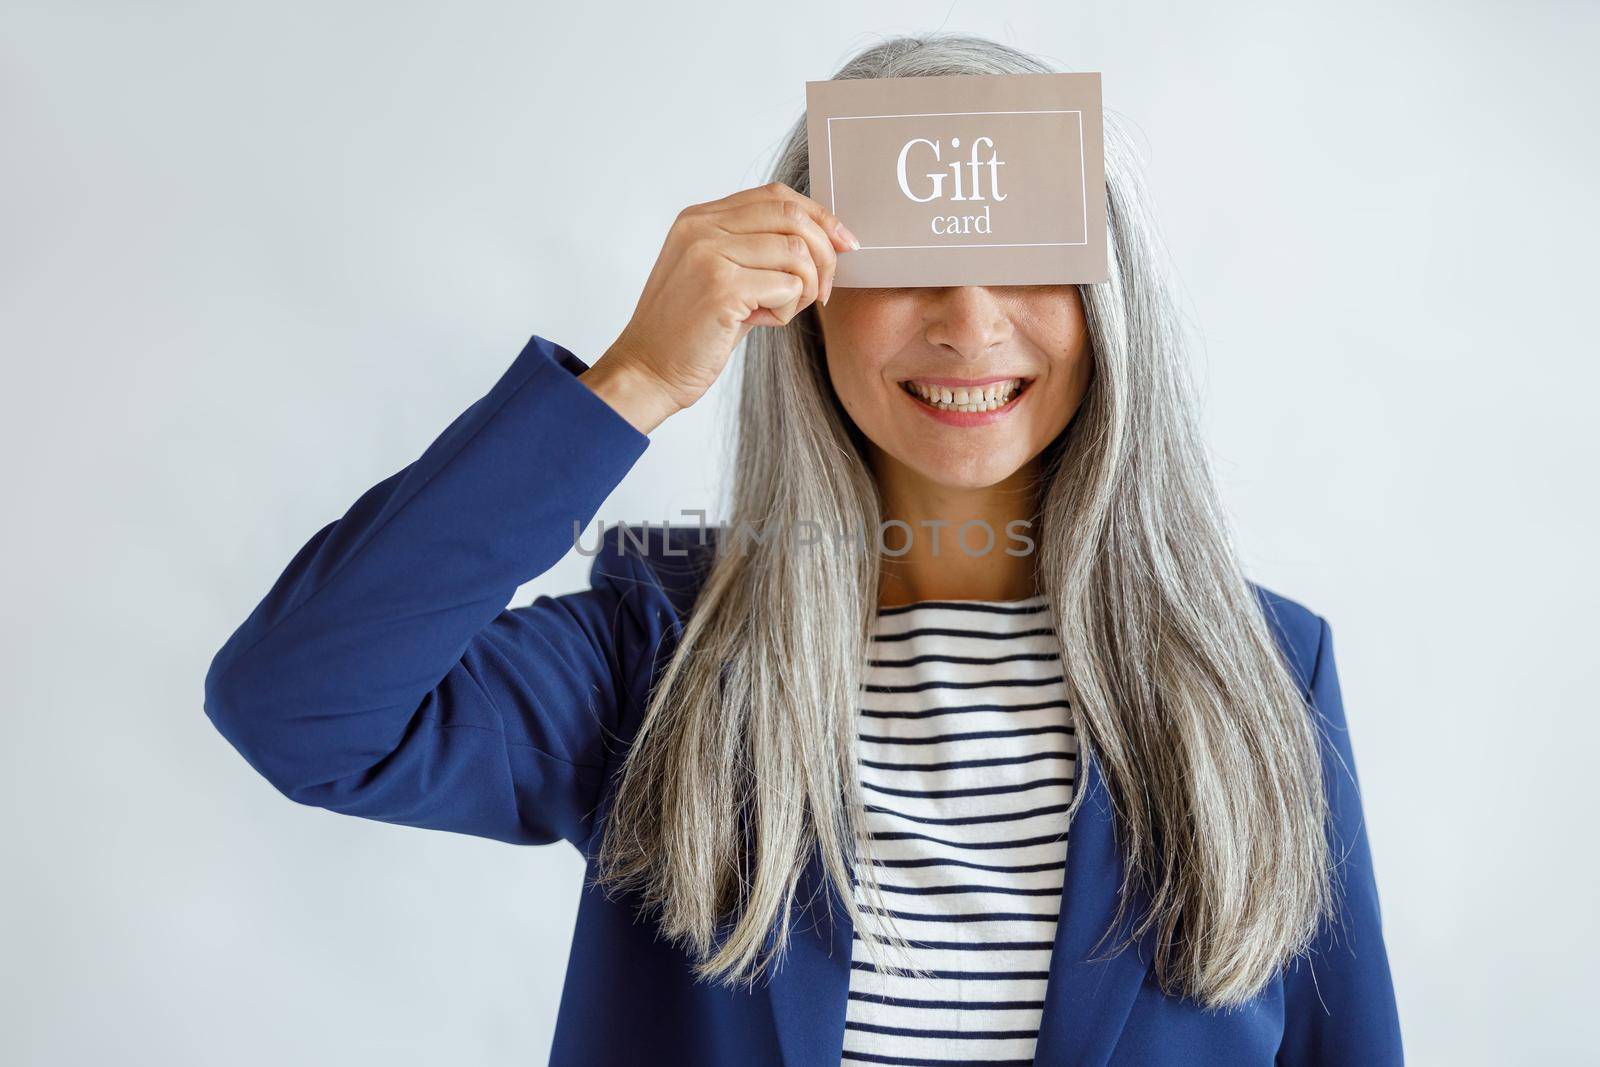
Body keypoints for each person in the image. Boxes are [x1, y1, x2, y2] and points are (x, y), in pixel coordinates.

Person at [203, 33, 1403, 1067]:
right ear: (807, 293)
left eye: (1027, 258)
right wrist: (630, 381)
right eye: (904, 261)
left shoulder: (1262, 667)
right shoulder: (660, 646)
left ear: (1110, 297)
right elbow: (300, 708)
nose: (968, 324)